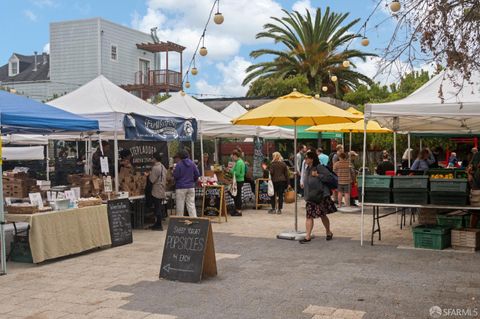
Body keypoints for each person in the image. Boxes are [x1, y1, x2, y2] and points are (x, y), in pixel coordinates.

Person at [299, 151, 336, 243]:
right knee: (309, 216)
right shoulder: (308, 168)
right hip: (311, 197)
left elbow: (329, 177)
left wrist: (318, 175)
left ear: (312, 159)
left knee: (323, 215)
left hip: (320, 196)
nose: (305, 159)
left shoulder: (319, 167)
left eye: (306, 158)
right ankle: (308, 236)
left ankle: (328, 232)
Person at [173, 150, 200, 217]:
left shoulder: (178, 164)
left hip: (180, 187)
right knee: (191, 205)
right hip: (191, 187)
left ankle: (180, 222)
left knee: (180, 206)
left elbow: (176, 176)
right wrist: (193, 181)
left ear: (180, 157)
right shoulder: (192, 163)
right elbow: (197, 174)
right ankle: (194, 222)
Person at [148, 152, 167, 231]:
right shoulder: (163, 166)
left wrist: (148, 175)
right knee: (158, 206)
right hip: (162, 188)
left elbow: (152, 180)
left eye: (152, 158)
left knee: (157, 207)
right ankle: (157, 223)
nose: (151, 159)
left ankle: (159, 225)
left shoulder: (155, 168)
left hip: (156, 189)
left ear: (155, 159)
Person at [230, 150, 245, 216]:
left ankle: (238, 211)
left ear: (235, 156)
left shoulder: (239, 162)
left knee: (237, 196)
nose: (232, 158)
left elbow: (237, 173)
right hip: (239, 180)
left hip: (238, 180)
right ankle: (237, 210)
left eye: (233, 156)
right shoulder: (239, 162)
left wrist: (230, 171)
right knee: (236, 195)